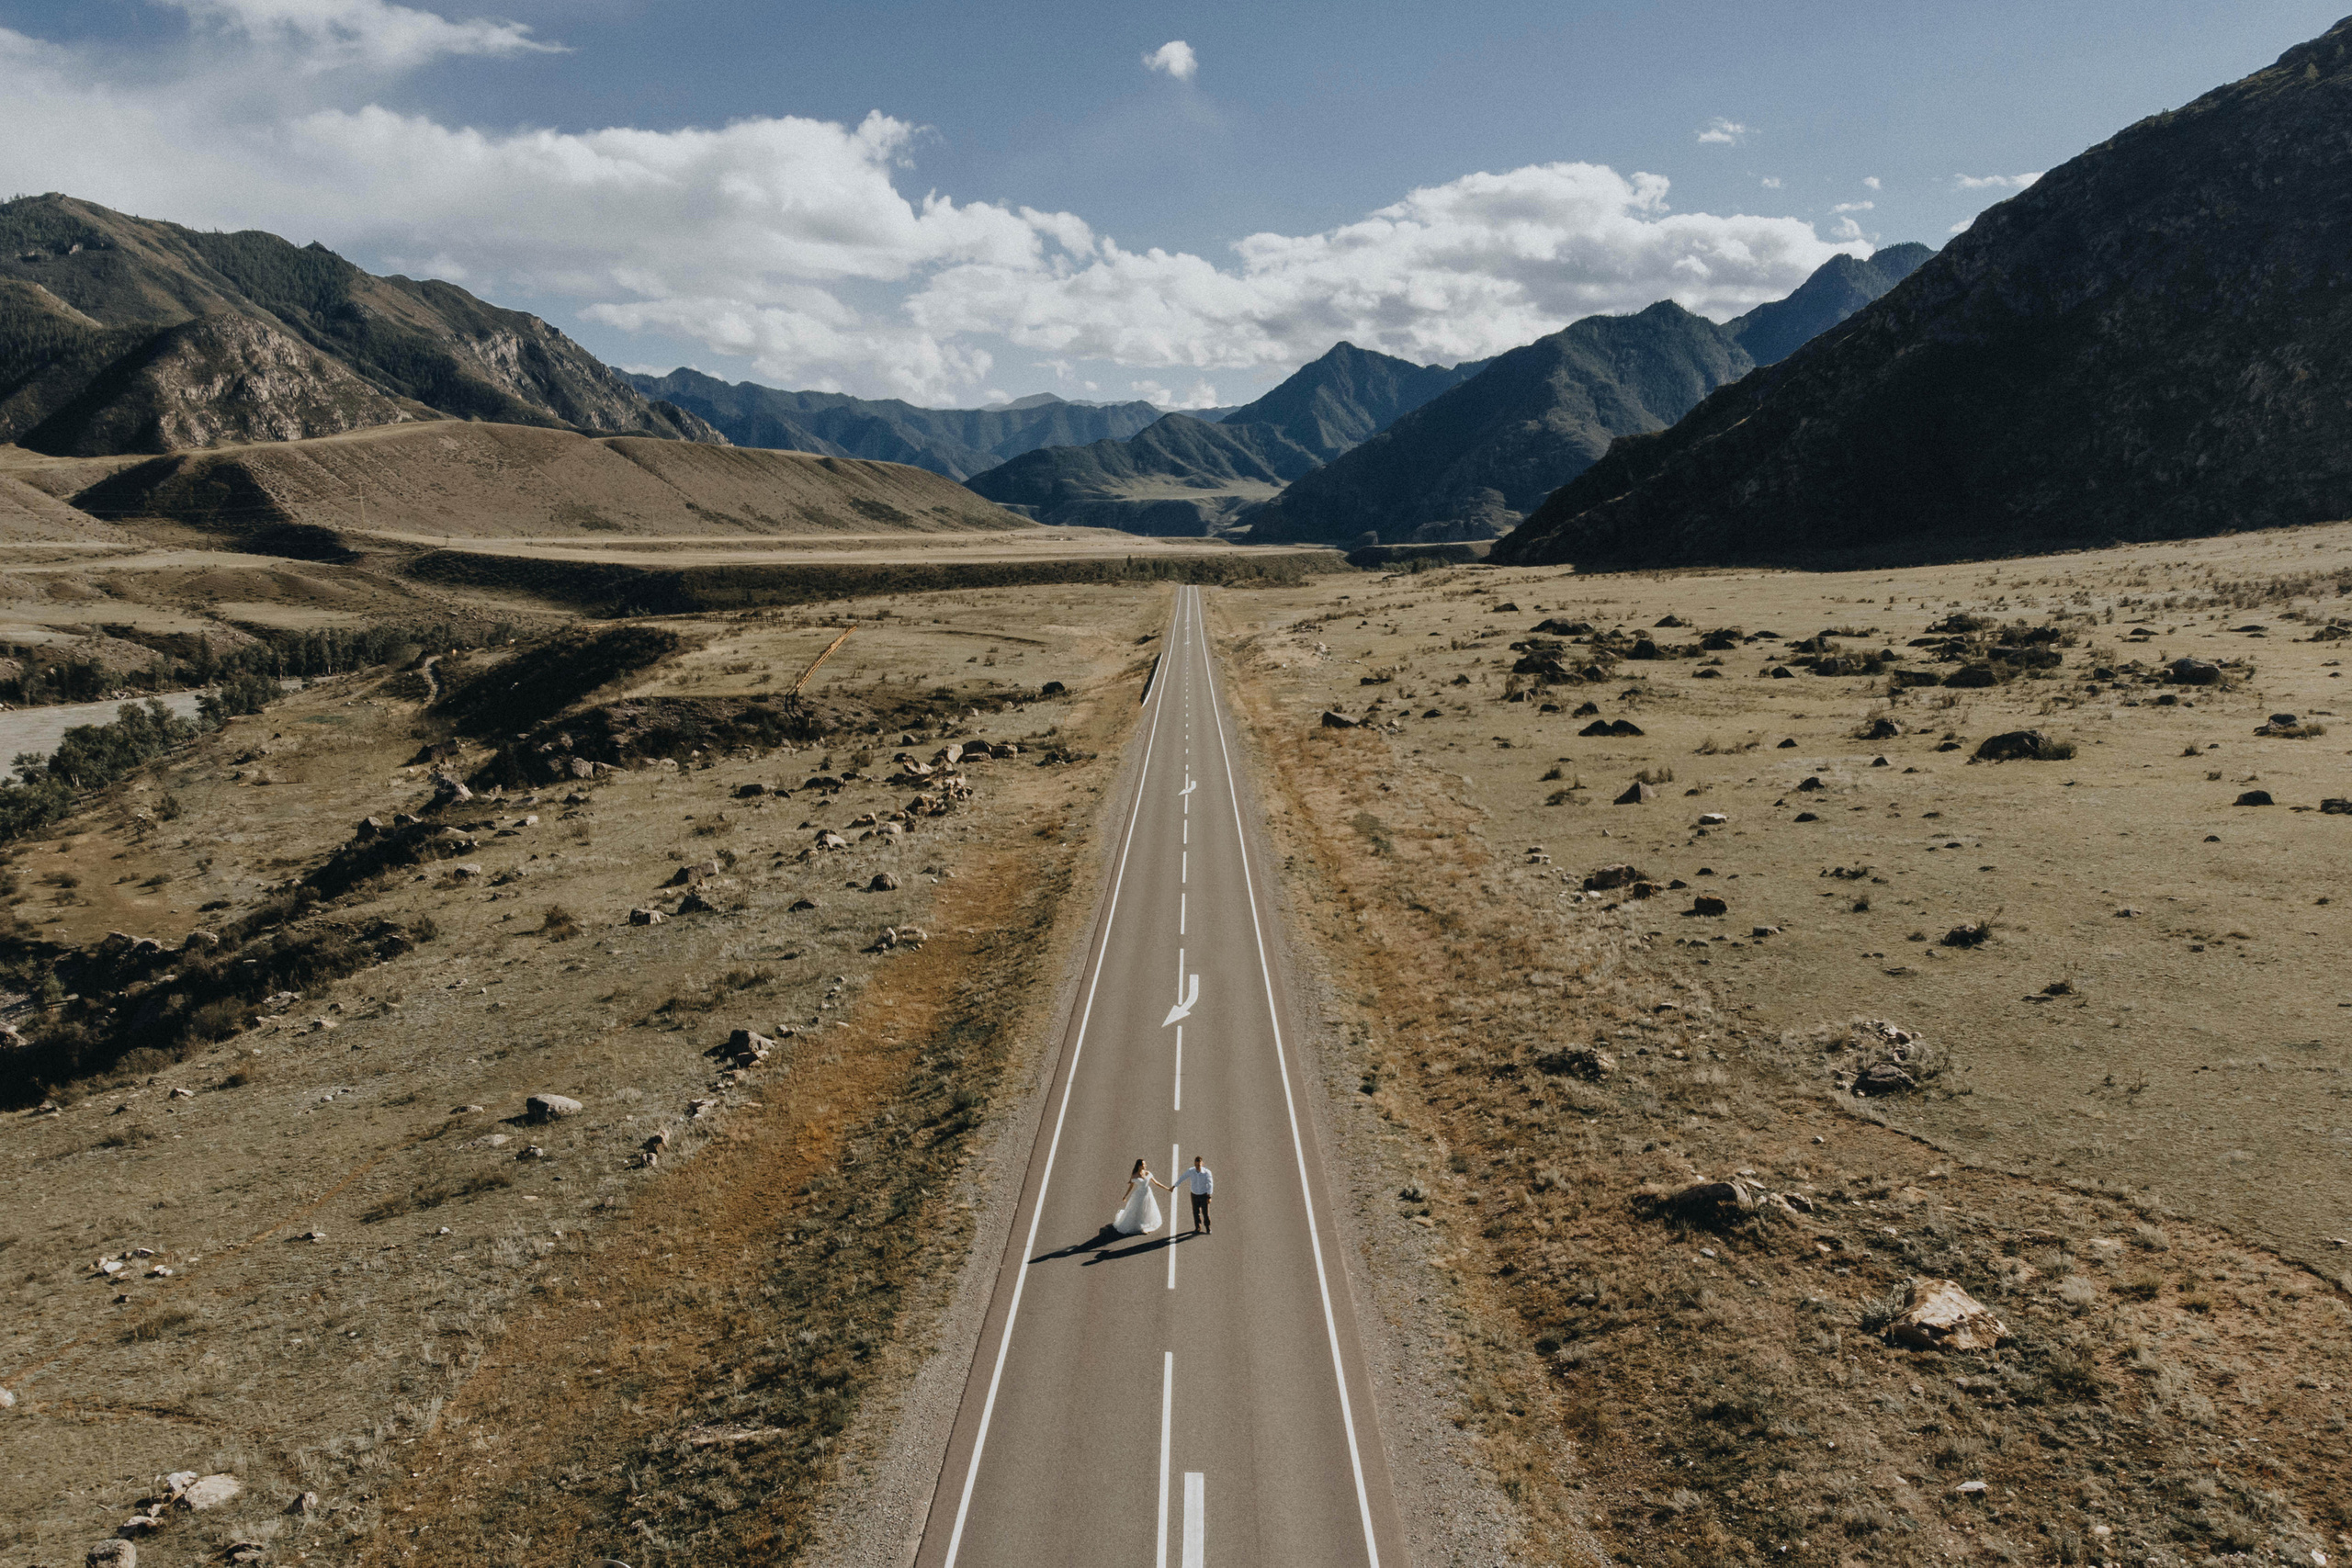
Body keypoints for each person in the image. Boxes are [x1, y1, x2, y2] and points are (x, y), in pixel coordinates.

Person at [1112, 1156, 1170, 1235]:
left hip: (1148, 1194)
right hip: (1139, 1195)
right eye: (1143, 1164)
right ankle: (1141, 1226)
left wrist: (1167, 1188)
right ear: (1139, 1166)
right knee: (1138, 1210)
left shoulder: (1148, 1173)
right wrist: (1125, 1195)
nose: (1145, 1165)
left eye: (1145, 1164)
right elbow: (1131, 1186)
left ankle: (1144, 1225)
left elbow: (1156, 1183)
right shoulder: (1134, 1175)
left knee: (1147, 1210)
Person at [1179, 1156, 1214, 1234]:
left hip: (1204, 1195)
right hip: (1194, 1194)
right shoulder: (1191, 1171)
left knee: (1205, 1213)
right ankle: (1198, 1227)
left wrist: (1209, 1196)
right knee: (1195, 1212)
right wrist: (1175, 1185)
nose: (1197, 1167)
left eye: (1199, 1165)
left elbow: (1210, 1185)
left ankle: (1208, 1227)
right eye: (1196, 1165)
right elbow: (1183, 1177)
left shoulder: (1207, 1172)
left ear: (1202, 1164)